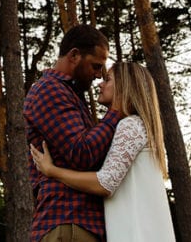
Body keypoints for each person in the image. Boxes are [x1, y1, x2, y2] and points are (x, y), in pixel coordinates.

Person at [29, 62, 177, 242]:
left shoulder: (130, 125)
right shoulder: (139, 126)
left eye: (108, 80)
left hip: (134, 232)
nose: (100, 83)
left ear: (125, 86)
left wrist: (53, 171)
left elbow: (105, 183)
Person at [23, 24, 123, 242]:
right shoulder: (50, 90)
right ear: (75, 55)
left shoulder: (69, 94)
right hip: (68, 221)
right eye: (96, 66)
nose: (98, 75)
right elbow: (82, 153)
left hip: (78, 223)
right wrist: (116, 111)